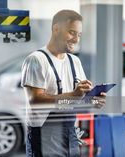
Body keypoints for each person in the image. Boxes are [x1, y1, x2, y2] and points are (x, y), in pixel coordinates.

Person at [21, 10, 106, 157]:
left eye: (79, 35)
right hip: (44, 137)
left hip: (70, 134)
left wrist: (92, 100)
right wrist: (73, 94)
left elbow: (78, 100)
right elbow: (35, 100)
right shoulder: (36, 60)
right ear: (56, 29)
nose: (76, 39)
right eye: (72, 33)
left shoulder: (75, 62)